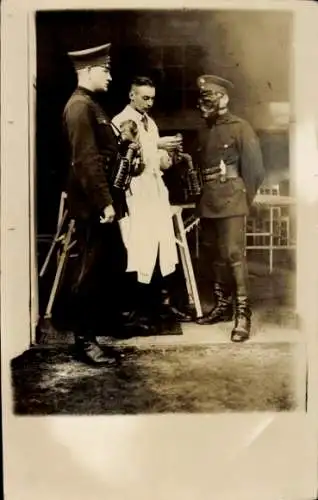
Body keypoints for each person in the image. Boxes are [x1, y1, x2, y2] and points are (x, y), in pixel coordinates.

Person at [62, 42, 129, 365]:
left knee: (109, 264)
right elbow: (86, 161)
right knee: (88, 271)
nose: (110, 77)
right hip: (92, 206)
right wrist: (104, 203)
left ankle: (95, 332)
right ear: (87, 71)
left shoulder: (92, 105)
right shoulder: (79, 107)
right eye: (106, 70)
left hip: (101, 203)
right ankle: (84, 341)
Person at [112, 76, 192, 332]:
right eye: (145, 97)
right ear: (131, 95)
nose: (149, 102)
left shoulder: (151, 122)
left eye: (152, 98)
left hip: (155, 192)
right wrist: (155, 144)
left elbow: (156, 161)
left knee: (159, 247)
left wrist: (167, 157)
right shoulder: (121, 120)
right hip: (135, 192)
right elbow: (125, 150)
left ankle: (154, 307)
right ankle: (131, 313)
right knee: (138, 249)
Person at [195, 74, 265, 342]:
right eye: (202, 97)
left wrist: (242, 201)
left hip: (232, 199)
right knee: (215, 255)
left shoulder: (240, 127)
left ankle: (243, 315)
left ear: (224, 98)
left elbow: (255, 171)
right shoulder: (205, 130)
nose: (203, 102)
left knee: (235, 255)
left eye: (209, 96)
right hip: (208, 202)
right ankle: (223, 307)